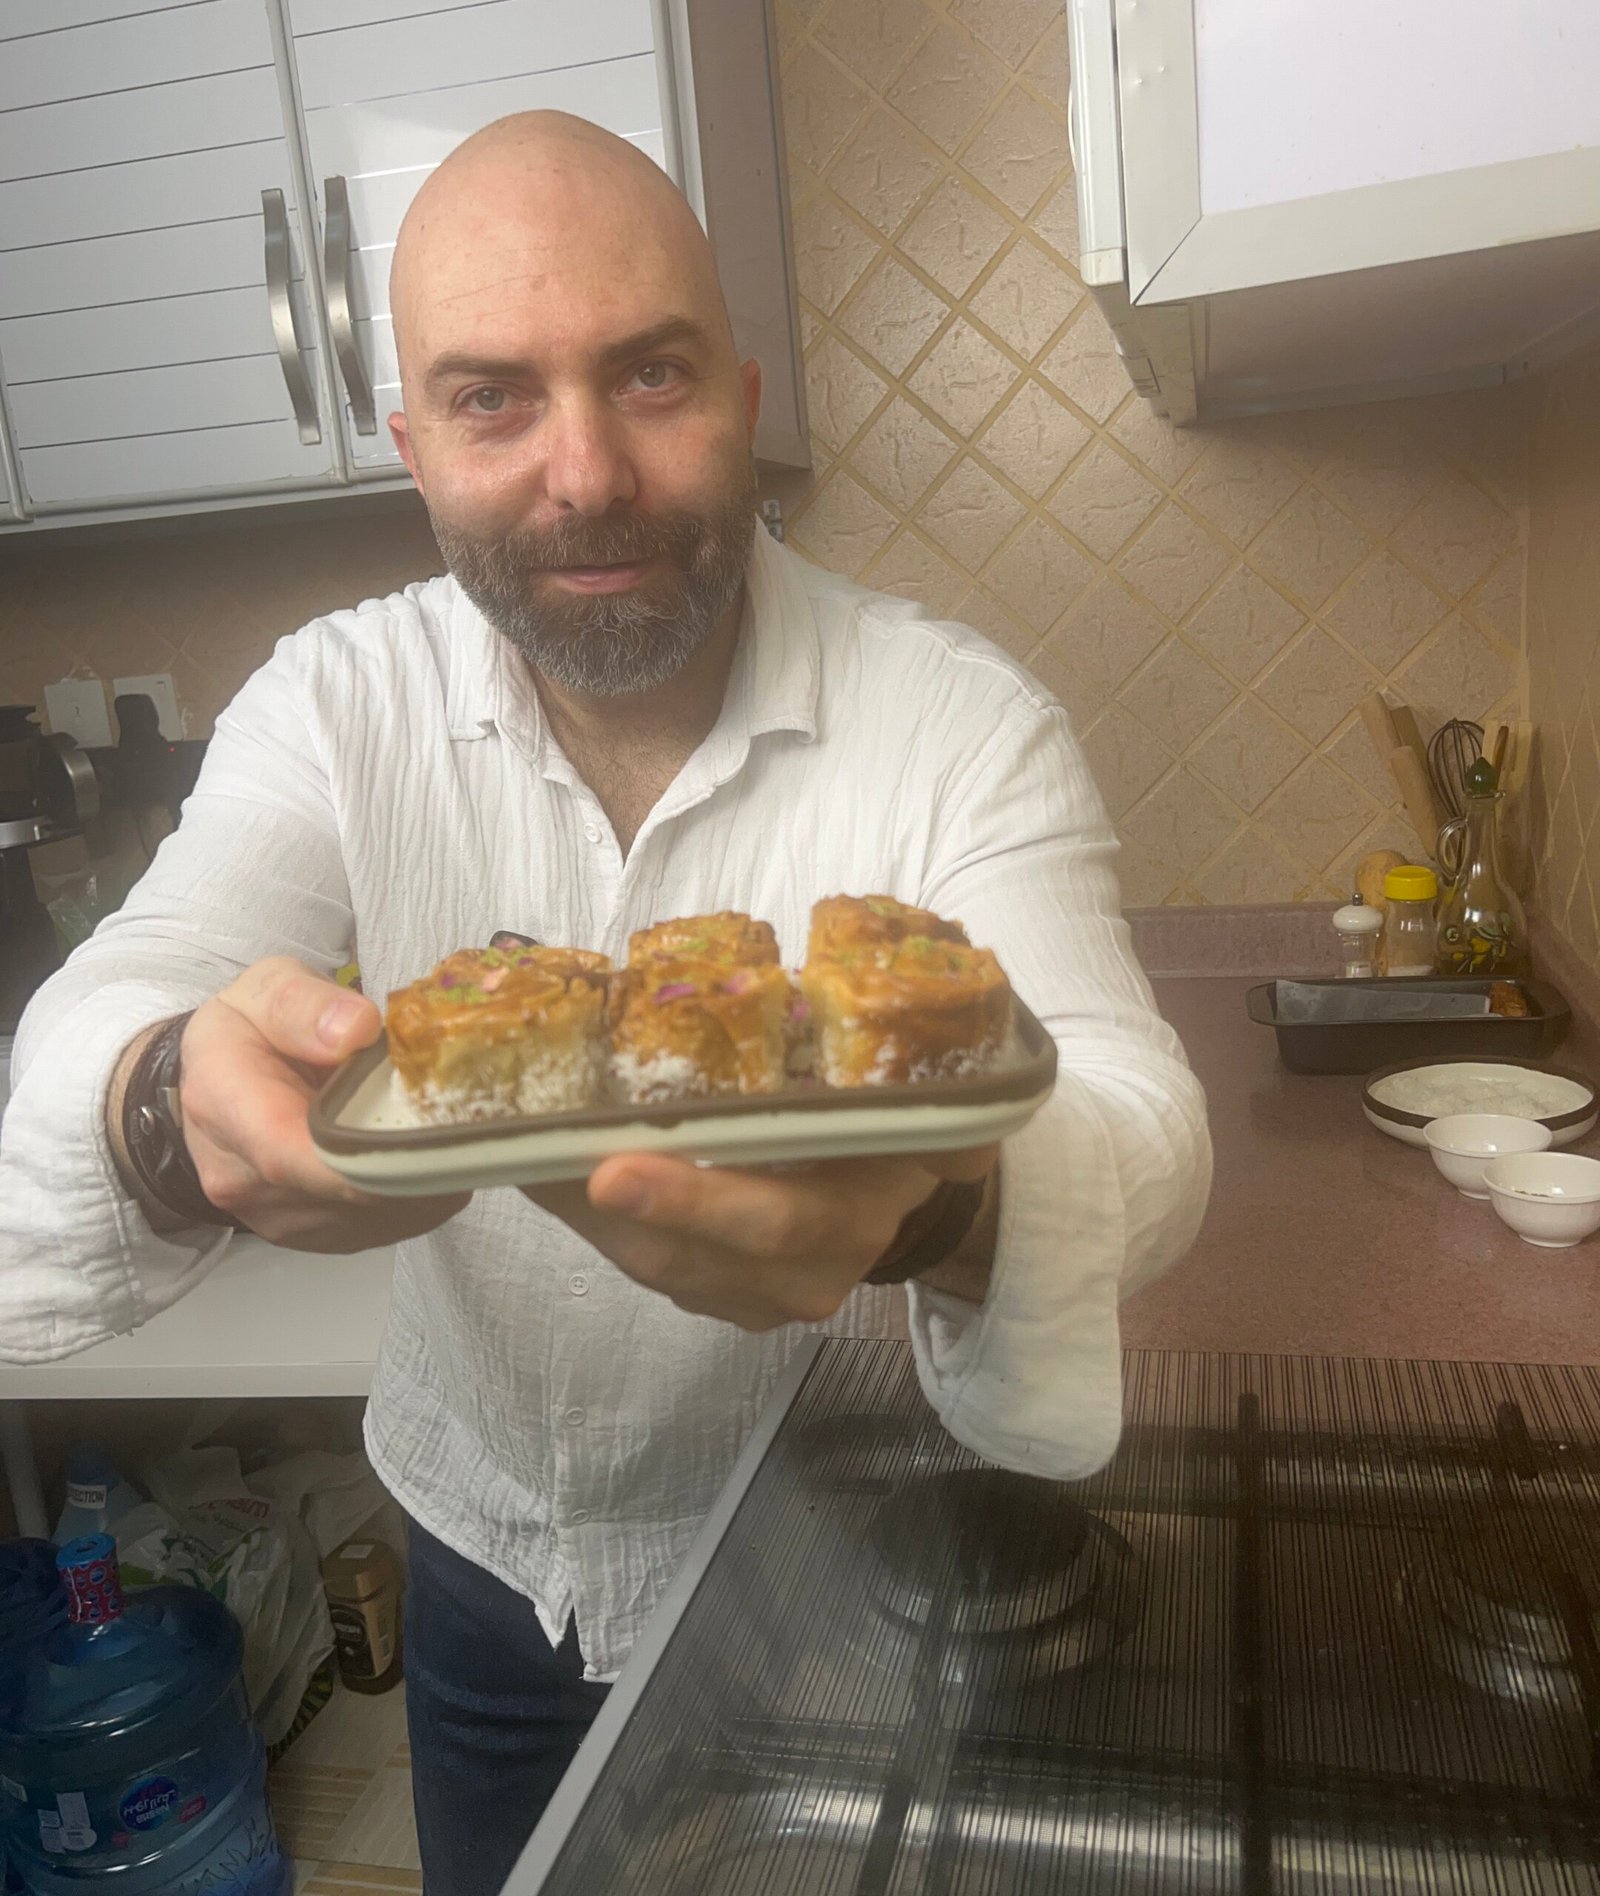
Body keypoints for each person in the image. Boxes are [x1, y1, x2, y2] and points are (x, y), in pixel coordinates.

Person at [0, 113, 1211, 1893]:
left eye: (647, 375)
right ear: (412, 447)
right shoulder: (336, 705)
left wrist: (940, 1198)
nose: (584, 474)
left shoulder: (960, 720)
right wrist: (173, 1096)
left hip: (858, 1577)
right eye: (494, 399)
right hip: (489, 1586)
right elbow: (117, 999)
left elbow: (1142, 1122)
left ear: (737, 391)